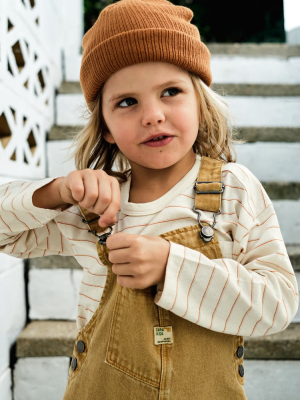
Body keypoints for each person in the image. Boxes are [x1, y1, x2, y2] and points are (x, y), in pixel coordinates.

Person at [0, 0, 298, 399]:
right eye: (127, 102)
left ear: (199, 102)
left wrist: (170, 266)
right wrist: (57, 191)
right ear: (104, 127)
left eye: (171, 92)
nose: (153, 115)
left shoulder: (234, 189)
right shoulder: (93, 206)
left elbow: (277, 304)